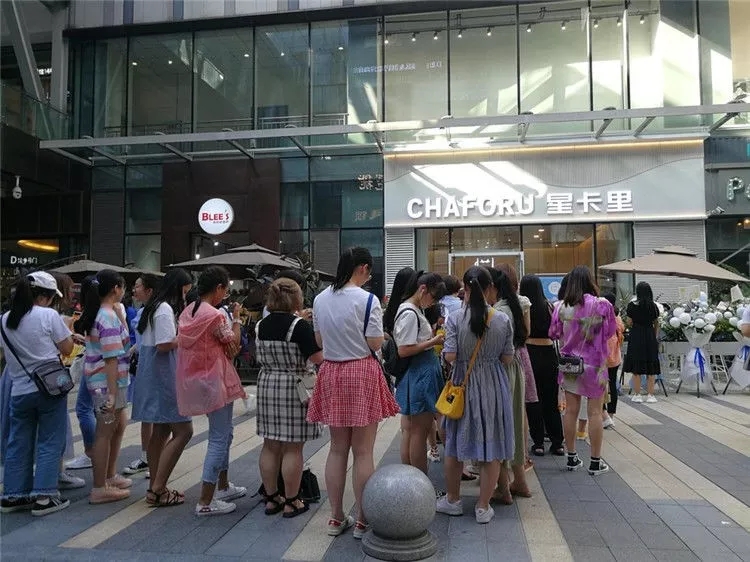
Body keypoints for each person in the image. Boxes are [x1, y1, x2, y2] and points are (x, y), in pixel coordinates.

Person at [307, 247, 399, 539]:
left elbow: (319, 340)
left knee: (337, 449)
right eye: (369, 272)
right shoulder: (368, 300)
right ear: (363, 268)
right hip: (361, 372)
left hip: (332, 371)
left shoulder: (320, 299)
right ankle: (362, 520)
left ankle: (335, 518)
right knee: (363, 451)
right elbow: (375, 343)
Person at [438, 266, 515, 524]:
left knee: (454, 443)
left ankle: (453, 500)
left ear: (466, 288)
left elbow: (450, 355)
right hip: (493, 384)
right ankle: (483, 507)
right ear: (490, 287)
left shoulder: (455, 318)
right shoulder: (502, 319)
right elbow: (507, 357)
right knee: (491, 443)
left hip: (463, 384)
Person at [0, 272, 75, 516]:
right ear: (45, 296)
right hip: (49, 387)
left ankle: (13, 495)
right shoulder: (48, 315)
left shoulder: (4, 319)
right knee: (50, 440)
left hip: (19, 391)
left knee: (18, 441)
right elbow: (67, 348)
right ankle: (44, 496)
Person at [176, 266, 247, 516]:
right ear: (218, 288)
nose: (225, 295)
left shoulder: (188, 311)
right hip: (216, 379)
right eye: (225, 290)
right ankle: (205, 501)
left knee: (225, 433)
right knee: (219, 437)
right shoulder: (215, 315)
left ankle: (223, 486)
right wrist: (236, 319)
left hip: (195, 379)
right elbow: (234, 345)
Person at [256, 278, 324, 518]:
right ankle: (292, 500)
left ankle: (272, 498)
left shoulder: (261, 325)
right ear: (296, 299)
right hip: (294, 386)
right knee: (293, 447)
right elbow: (317, 358)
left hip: (267, 384)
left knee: (270, 445)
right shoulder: (299, 326)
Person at [133, 269, 194, 506]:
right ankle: (158, 488)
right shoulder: (165, 309)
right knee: (184, 431)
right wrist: (188, 338)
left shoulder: (154, 307)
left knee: (160, 431)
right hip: (164, 373)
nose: (185, 297)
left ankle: (155, 486)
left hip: (152, 372)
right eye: (185, 292)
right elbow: (165, 344)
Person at [549, 266, 616, 476]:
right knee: (595, 412)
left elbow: (554, 333)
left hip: (570, 364)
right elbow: (610, 332)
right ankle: (595, 462)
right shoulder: (602, 304)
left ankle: (571, 457)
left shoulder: (560, 306)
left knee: (570, 410)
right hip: (595, 365)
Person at [77, 269, 133, 504]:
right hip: (108, 383)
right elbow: (111, 358)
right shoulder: (106, 316)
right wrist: (111, 393)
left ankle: (107, 478)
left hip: (104, 381)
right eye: (123, 287)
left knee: (112, 427)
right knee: (104, 432)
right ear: (115, 289)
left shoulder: (102, 313)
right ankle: (100, 486)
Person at [389, 271, 445, 475]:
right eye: (433, 297)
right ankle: (420, 481)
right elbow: (404, 350)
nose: (433, 303)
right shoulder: (410, 312)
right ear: (423, 290)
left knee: (413, 430)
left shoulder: (411, 309)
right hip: (420, 373)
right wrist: (433, 341)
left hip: (419, 372)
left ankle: (412, 479)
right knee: (418, 432)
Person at [489, 268, 531, 503]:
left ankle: (503, 488)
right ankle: (520, 482)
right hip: (515, 367)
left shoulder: (498, 312)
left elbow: (494, 350)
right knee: (513, 424)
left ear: (493, 287)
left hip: (501, 371)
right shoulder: (515, 306)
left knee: (500, 426)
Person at [48, 272, 86, 492]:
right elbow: (66, 349)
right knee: (53, 430)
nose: (72, 294)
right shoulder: (52, 316)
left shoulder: (9, 316)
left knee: (22, 434)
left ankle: (17, 489)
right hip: (49, 376)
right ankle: (48, 487)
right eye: (69, 289)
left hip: (17, 379)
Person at [520, 274, 564, 456]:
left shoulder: (523, 308)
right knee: (551, 400)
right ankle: (557, 443)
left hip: (530, 353)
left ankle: (538, 443)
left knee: (533, 400)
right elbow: (557, 332)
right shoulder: (549, 306)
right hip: (549, 354)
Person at [123, 273, 161, 477]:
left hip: (153, 370)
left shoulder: (158, 312)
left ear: (149, 290)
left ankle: (154, 458)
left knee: (155, 416)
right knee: (147, 415)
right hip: (142, 368)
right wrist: (132, 350)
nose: (134, 290)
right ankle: (147, 457)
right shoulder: (143, 311)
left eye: (137, 286)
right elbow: (141, 341)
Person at [623, 281, 661, 404]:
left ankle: (637, 394)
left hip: (636, 336)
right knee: (651, 366)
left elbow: (629, 322)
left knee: (637, 366)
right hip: (650, 335)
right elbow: (656, 323)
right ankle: (650, 395)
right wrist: (654, 336)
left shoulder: (632, 305)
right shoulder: (653, 306)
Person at [602, 293, 624, 429]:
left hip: (603, 356)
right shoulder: (617, 317)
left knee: (601, 386)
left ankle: (603, 414)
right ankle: (611, 415)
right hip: (615, 355)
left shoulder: (602, 317)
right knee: (613, 385)